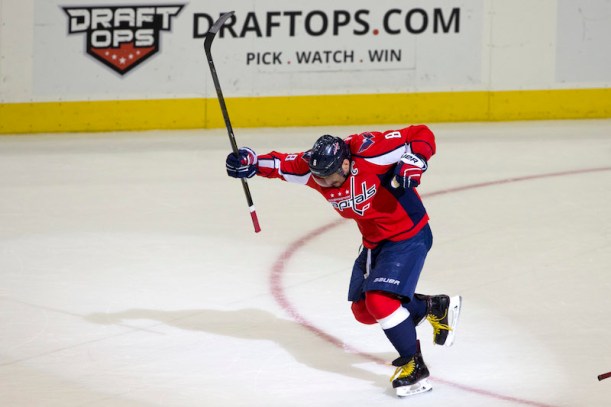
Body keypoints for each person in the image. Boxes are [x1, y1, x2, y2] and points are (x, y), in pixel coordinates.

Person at [225, 125, 462, 397]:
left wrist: (417, 159)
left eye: (331, 178)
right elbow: (280, 164)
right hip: (375, 242)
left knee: (380, 302)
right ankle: (433, 307)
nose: (326, 185)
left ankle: (414, 364)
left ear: (347, 163)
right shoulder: (315, 169)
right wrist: (250, 163)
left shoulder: (369, 151)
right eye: (320, 179)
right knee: (363, 312)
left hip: (408, 234)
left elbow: (419, 133)